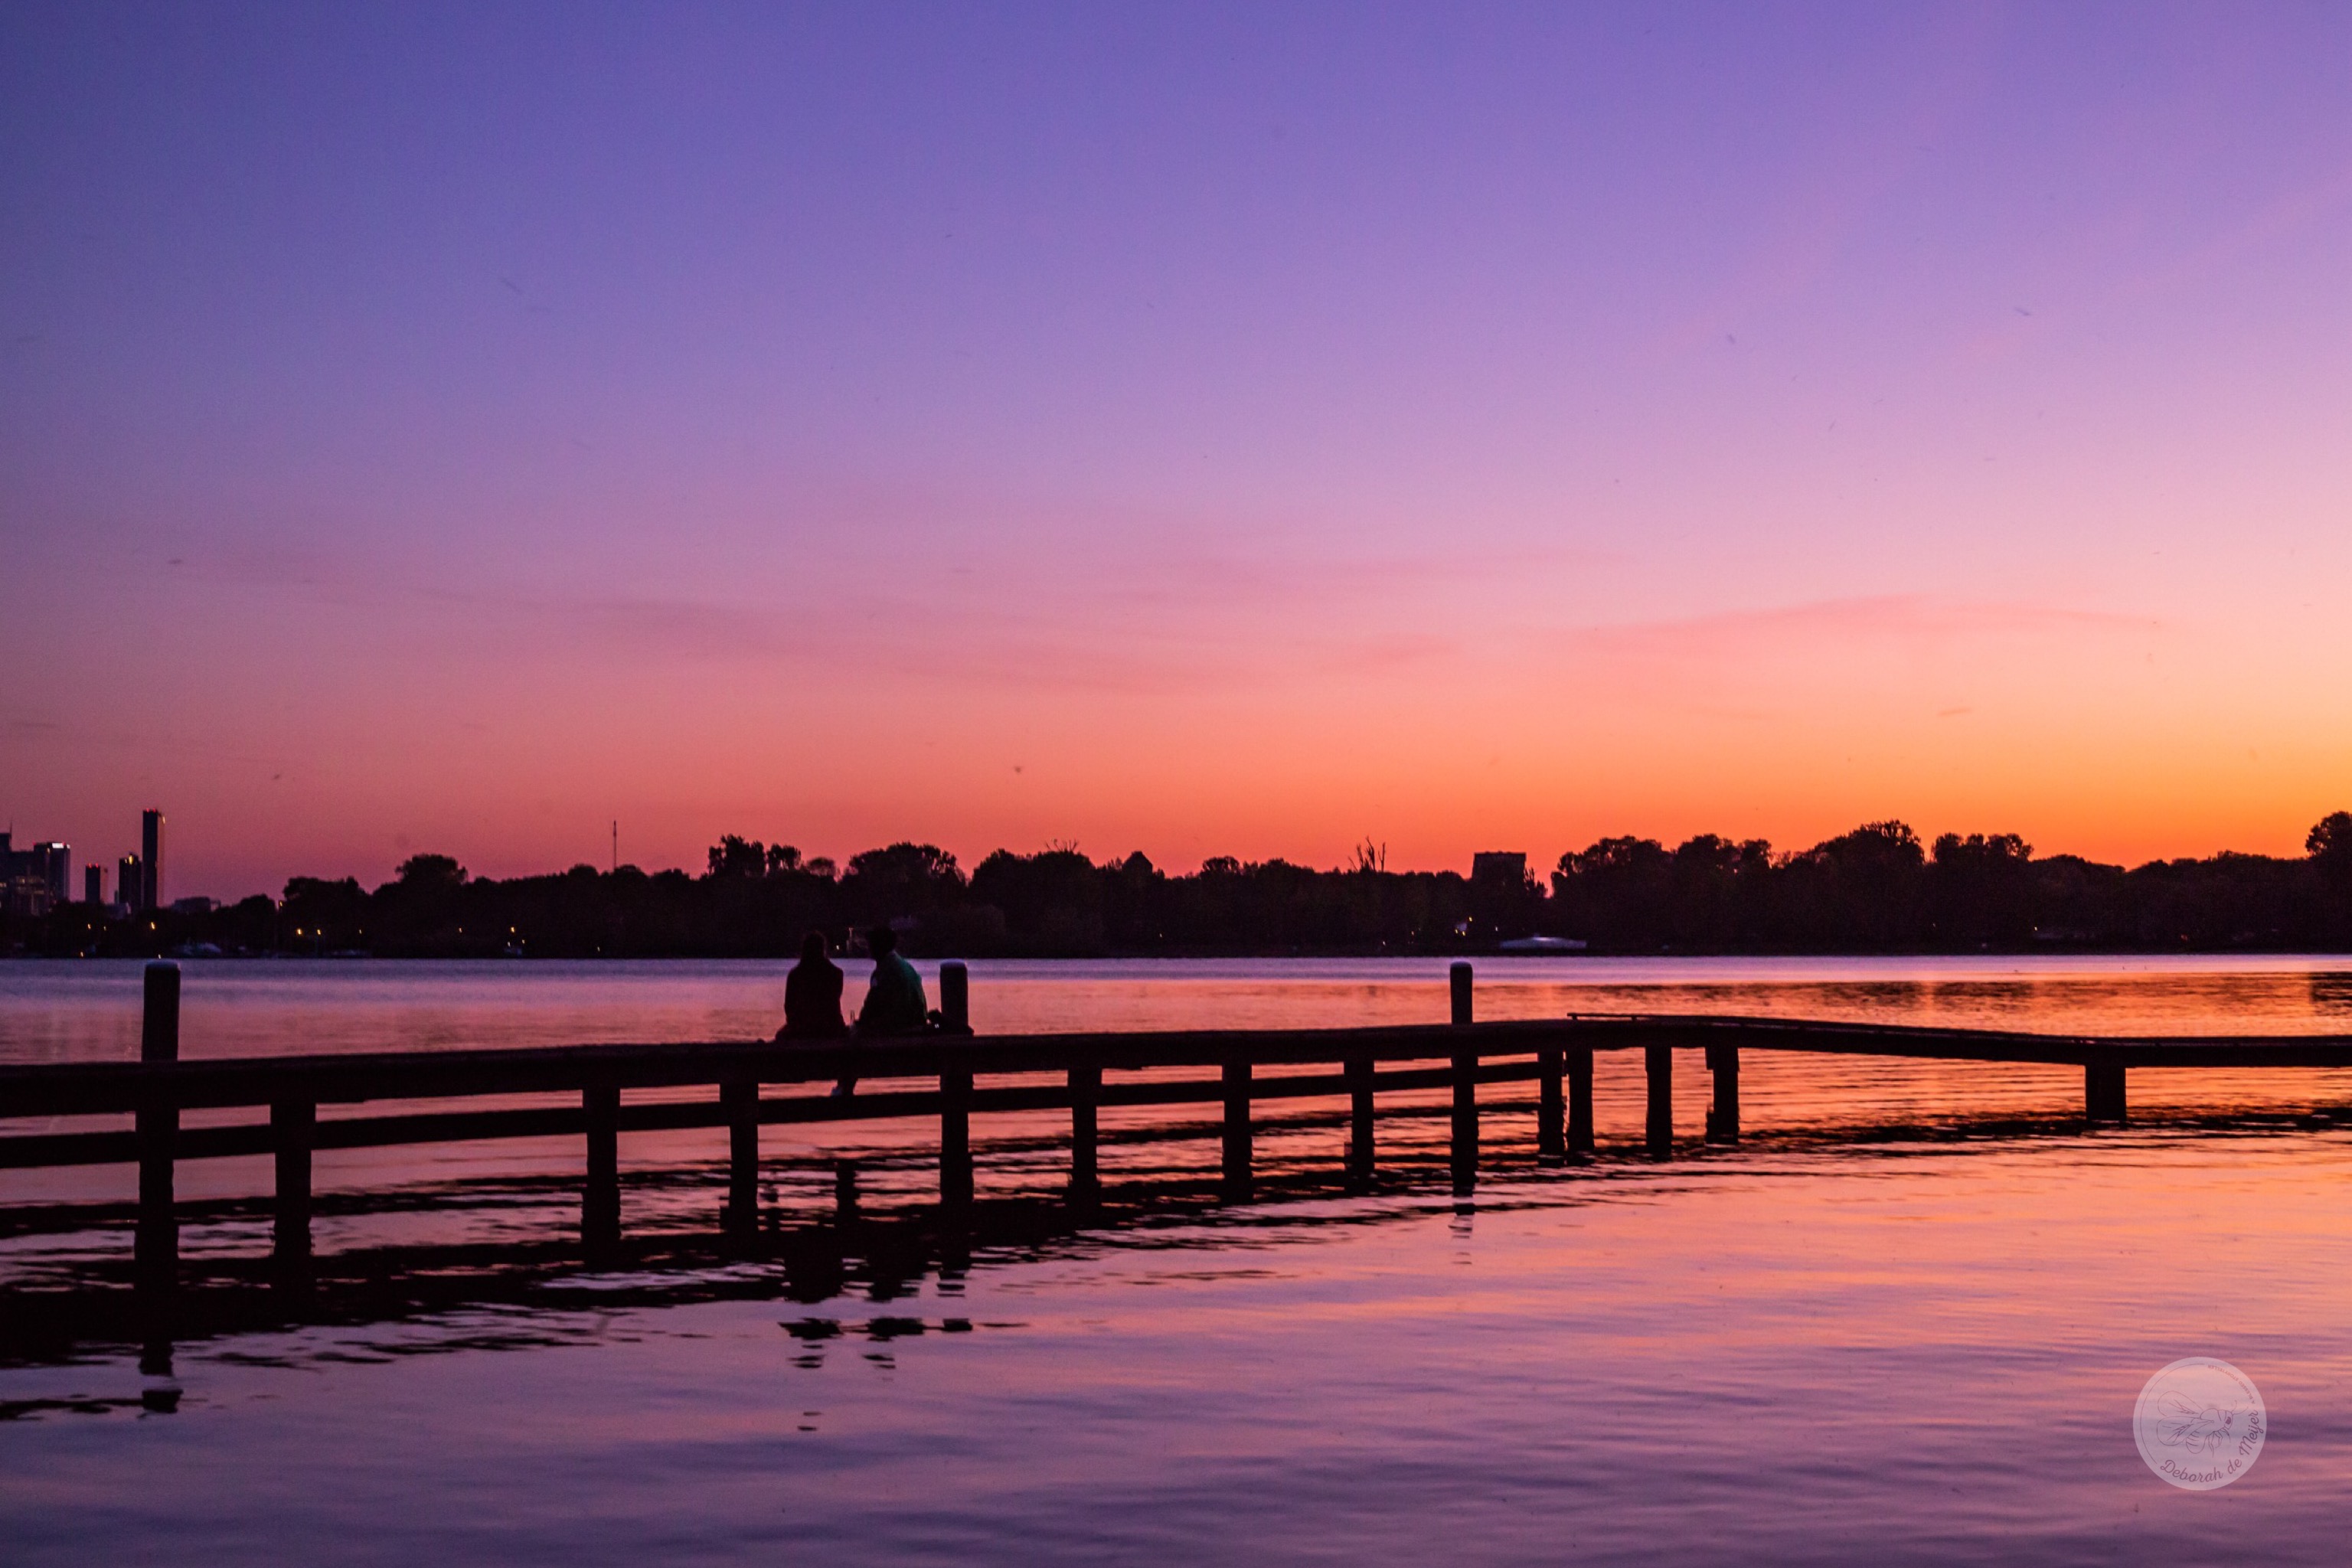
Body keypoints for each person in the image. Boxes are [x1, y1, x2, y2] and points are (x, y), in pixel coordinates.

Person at [776, 931, 851, 1096]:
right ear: (823, 949)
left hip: (802, 1029)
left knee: (780, 1037)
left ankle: (793, 1072)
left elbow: (789, 1007)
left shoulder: (795, 975)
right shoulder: (836, 973)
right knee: (851, 1041)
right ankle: (845, 1087)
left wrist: (797, 1023)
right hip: (832, 1029)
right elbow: (833, 1003)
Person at [856, 926, 930, 1037]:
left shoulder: (884, 971)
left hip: (901, 1030)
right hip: (917, 1025)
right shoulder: (905, 966)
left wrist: (859, 1027)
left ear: (878, 946)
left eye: (870, 944)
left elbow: (871, 1006)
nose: (868, 948)